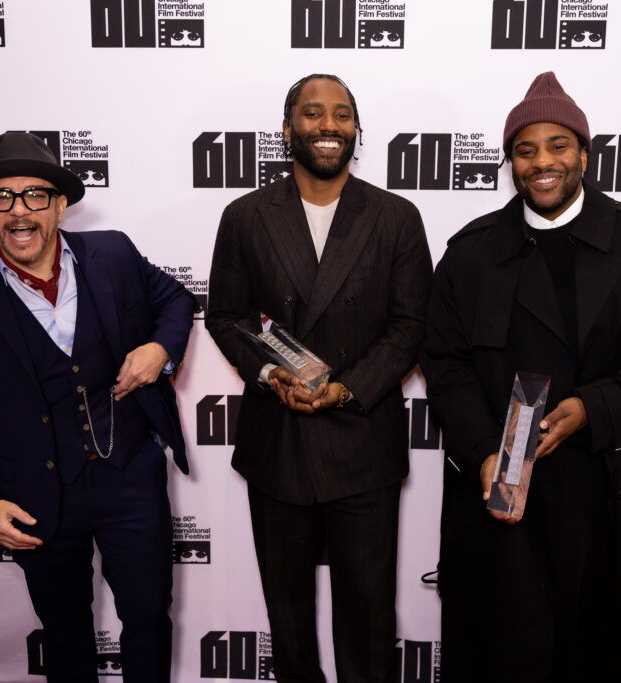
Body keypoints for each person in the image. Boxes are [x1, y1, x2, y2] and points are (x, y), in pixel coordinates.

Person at [420, 72, 621, 682]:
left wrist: (594, 408)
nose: (542, 162)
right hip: (504, 507)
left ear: (584, 152)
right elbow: (444, 364)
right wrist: (481, 453)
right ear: (511, 164)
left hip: (616, 498)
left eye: (557, 145)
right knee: (507, 654)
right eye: (525, 150)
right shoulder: (471, 253)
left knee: (612, 654)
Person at [0, 131, 195, 682]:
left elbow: (176, 299)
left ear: (60, 204)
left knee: (147, 617)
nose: (18, 211)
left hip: (129, 476)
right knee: (66, 639)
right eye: (1, 197)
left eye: (35, 195)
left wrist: (159, 349)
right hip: (34, 499)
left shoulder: (113, 253)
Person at [205, 74, 432, 682]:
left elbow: (412, 326)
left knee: (368, 618)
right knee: (289, 621)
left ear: (355, 131)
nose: (328, 125)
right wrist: (268, 371)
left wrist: (347, 387)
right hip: (276, 447)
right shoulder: (246, 216)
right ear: (287, 130)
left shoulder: (395, 217)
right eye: (313, 113)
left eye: (341, 114)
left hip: (362, 448)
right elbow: (224, 316)